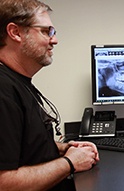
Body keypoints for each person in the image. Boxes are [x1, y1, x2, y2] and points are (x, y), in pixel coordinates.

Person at [0, 0, 100, 190]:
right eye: (46, 32)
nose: (54, 40)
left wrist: (63, 148)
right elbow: (3, 183)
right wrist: (70, 163)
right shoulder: (3, 90)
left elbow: (23, 146)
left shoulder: (18, 83)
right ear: (15, 32)